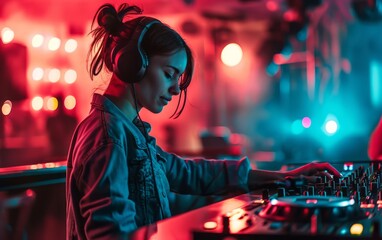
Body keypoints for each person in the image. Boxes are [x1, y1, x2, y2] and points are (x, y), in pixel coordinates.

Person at [66, 3, 342, 239]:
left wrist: (281, 178)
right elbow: (112, 234)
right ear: (131, 63)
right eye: (169, 73)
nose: (175, 89)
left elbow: (188, 173)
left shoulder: (128, 131)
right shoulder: (107, 136)